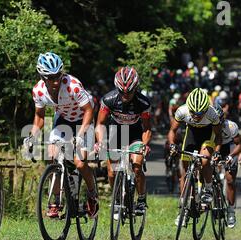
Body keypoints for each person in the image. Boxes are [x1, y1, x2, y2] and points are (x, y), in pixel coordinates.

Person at [23, 52, 98, 218]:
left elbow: (88, 111)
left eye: (58, 75)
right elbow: (40, 117)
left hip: (83, 120)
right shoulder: (38, 91)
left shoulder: (73, 86)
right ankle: (56, 200)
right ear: (42, 76)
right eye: (50, 77)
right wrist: (32, 137)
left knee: (79, 162)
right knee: (53, 156)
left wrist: (80, 135)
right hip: (63, 119)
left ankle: (92, 195)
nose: (55, 81)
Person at [95, 66, 152, 216]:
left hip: (135, 134)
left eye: (130, 92)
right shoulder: (108, 100)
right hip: (116, 133)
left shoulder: (143, 103)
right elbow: (100, 124)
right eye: (122, 92)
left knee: (137, 167)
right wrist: (100, 141)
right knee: (112, 172)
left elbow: (147, 128)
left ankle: (141, 199)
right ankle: (117, 199)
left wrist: (145, 145)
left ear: (136, 88)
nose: (126, 96)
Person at [167, 88, 222, 226]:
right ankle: (183, 209)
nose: (197, 116)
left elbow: (219, 136)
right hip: (191, 135)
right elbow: (172, 131)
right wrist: (172, 145)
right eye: (194, 113)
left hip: (207, 135)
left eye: (200, 113)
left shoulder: (212, 114)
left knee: (204, 160)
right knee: (184, 173)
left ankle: (208, 188)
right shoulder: (182, 111)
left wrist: (216, 151)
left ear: (206, 109)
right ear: (189, 108)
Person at [212, 104, 241, 228]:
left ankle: (231, 211)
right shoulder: (206, 126)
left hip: (229, 148)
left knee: (230, 180)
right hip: (213, 146)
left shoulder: (231, 126)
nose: (217, 123)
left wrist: (231, 156)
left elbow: (239, 145)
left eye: (219, 120)